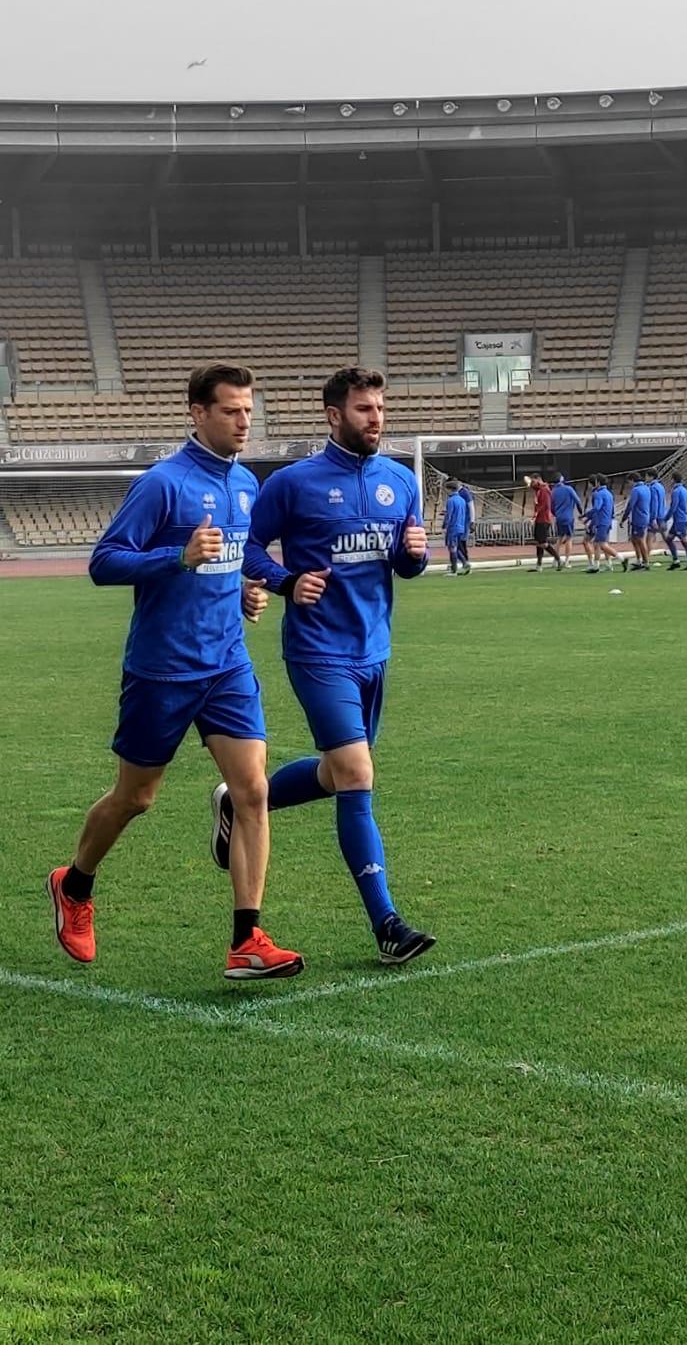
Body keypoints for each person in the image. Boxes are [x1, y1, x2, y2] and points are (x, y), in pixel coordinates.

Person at [48, 362, 300, 981]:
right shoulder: (163, 484)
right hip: (162, 670)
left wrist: (243, 588)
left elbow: (229, 562)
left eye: (249, 410)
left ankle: (247, 940)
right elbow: (105, 563)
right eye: (231, 411)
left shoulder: (247, 486)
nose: (245, 422)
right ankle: (74, 884)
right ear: (197, 412)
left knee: (254, 791)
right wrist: (177, 556)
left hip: (227, 665)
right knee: (137, 797)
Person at [236, 366, 436, 966]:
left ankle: (243, 800)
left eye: (379, 408)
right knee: (355, 774)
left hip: (375, 649)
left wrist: (414, 557)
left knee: (336, 771)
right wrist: (284, 579)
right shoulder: (294, 484)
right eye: (364, 410)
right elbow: (248, 546)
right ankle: (387, 923)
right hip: (318, 652)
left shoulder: (400, 481)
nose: (376, 419)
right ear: (333, 415)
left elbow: (403, 566)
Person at [526, 472, 560, 571]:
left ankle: (558, 559)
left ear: (538, 479)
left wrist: (534, 516)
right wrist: (528, 482)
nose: (532, 483)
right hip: (540, 518)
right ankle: (539, 564)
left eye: (533, 481)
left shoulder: (544, 490)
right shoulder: (539, 489)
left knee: (543, 542)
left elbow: (544, 505)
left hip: (544, 519)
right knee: (538, 541)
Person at [587, 473, 618, 573]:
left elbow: (596, 508)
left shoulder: (598, 494)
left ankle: (621, 558)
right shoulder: (609, 493)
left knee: (599, 544)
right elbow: (612, 509)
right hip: (607, 520)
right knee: (603, 543)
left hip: (601, 521)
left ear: (597, 482)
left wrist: (587, 517)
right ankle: (608, 564)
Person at [442, 477, 473, 575]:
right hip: (461, 527)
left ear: (450, 489)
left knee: (452, 548)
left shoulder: (451, 501)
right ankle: (464, 563)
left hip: (453, 527)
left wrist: (445, 525)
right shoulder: (461, 500)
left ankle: (454, 569)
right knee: (456, 547)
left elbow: (449, 515)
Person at [550, 473, 581, 567]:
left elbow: (551, 507)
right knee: (569, 538)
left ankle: (555, 560)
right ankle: (567, 561)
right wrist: (581, 512)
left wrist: (556, 514)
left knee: (559, 538)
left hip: (559, 517)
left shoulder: (553, 491)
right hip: (568, 517)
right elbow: (578, 500)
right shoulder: (568, 489)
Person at [623, 476, 654, 571]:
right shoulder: (646, 488)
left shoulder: (636, 490)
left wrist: (623, 518)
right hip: (644, 516)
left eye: (629, 482)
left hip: (639, 518)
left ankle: (645, 562)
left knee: (640, 540)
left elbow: (630, 504)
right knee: (634, 539)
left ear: (632, 480)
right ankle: (639, 560)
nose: (629, 484)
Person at [667, 473, 687, 570]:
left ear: (673, 480)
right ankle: (676, 561)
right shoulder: (685, 490)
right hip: (682, 519)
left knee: (684, 542)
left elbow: (673, 506)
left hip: (680, 520)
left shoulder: (676, 491)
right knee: (669, 539)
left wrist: (666, 518)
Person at [648, 475, 672, 564]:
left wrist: (653, 518)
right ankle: (674, 555)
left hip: (656, 516)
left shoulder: (653, 487)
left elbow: (654, 503)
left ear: (650, 476)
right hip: (662, 514)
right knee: (666, 537)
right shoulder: (661, 487)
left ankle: (646, 559)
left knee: (650, 537)